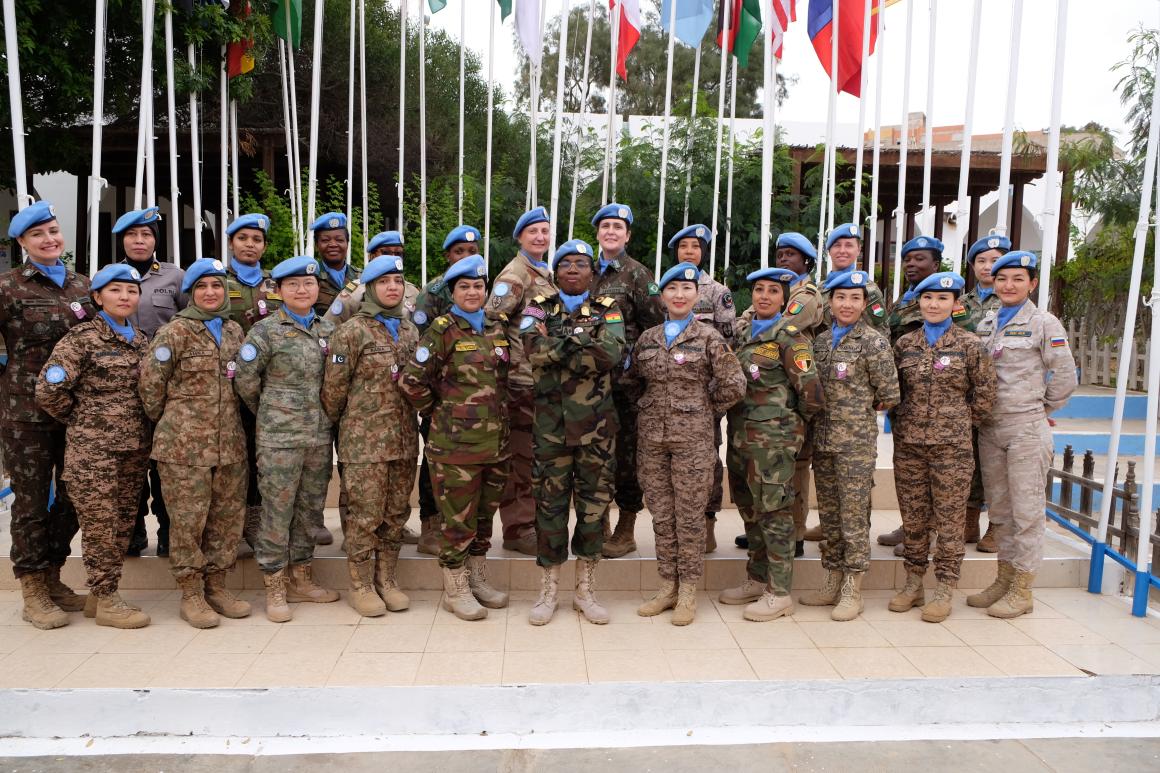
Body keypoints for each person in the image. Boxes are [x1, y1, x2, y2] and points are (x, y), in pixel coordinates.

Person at [35, 264, 151, 628]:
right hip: (94, 453)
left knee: (121, 524)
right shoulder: (82, 338)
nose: (125, 297)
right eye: (116, 291)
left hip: (133, 450)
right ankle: (105, 598)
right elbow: (48, 390)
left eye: (131, 291)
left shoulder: (142, 340)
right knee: (100, 525)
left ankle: (103, 596)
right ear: (98, 297)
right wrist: (83, 420)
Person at [400, 254, 514, 621]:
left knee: (484, 517)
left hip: (496, 444)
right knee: (457, 520)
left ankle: (477, 577)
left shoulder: (497, 325)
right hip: (455, 447)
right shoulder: (441, 329)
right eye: (464, 286)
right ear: (453, 291)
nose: (472, 292)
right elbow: (411, 380)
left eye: (478, 286)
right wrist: (440, 411)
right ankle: (455, 588)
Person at [138, 259, 250, 628]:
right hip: (184, 449)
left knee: (226, 521)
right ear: (190, 293)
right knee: (188, 523)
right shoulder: (175, 333)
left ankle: (217, 586)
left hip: (230, 445)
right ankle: (191, 593)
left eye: (217, 286)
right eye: (202, 287)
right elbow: (151, 387)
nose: (211, 293)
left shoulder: (234, 331)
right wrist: (177, 424)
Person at [632, 262, 745, 625]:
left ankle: (688, 592)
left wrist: (703, 408)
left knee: (691, 518)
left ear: (697, 296)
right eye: (672, 289)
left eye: (686, 289)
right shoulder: (647, 338)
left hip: (694, 442)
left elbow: (734, 384)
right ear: (662, 296)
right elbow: (634, 381)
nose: (679, 295)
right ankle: (668, 585)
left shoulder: (710, 338)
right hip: (652, 441)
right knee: (663, 516)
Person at [520, 239, 625, 626]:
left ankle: (585, 589)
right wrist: (582, 342)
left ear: (591, 272)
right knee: (549, 509)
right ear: (556, 272)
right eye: (566, 264)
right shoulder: (537, 308)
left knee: (593, 510)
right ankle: (548, 589)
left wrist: (559, 346)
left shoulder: (607, 309)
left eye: (581, 264)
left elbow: (610, 354)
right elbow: (532, 348)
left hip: (596, 429)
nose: (573, 270)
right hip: (550, 429)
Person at [969, 251, 1076, 619]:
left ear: (1032, 284)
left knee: (1027, 511)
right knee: (1000, 510)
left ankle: (1023, 589)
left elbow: (1065, 376)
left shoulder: (1044, 323)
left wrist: (1039, 410)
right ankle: (1004, 577)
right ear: (993, 284)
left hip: (1025, 429)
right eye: (1002, 279)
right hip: (990, 427)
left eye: (1017, 279)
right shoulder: (986, 322)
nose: (1008, 285)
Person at [234, 255, 341, 623]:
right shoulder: (264, 332)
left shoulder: (328, 330)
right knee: (277, 512)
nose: (301, 289)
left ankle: (301, 576)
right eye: (292, 284)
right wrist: (272, 412)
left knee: (310, 510)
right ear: (278, 291)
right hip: (279, 438)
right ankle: (275, 583)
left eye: (308, 284)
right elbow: (246, 382)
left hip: (317, 436)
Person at [1, 201, 91, 629]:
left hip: (78, 413)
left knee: (75, 496)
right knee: (32, 502)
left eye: (53, 230)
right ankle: (32, 586)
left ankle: (53, 572)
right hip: (26, 416)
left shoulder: (84, 287)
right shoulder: (8, 288)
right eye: (38, 235)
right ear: (22, 242)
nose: (49, 239)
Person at [888, 272, 996, 623]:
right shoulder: (904, 345)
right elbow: (893, 394)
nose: (934, 304)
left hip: (952, 450)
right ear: (919, 303)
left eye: (942, 299)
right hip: (909, 447)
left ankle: (945, 587)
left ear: (956, 305)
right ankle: (913, 583)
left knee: (950, 522)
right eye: (928, 298)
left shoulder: (970, 345)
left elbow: (984, 397)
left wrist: (957, 424)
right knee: (914, 518)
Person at [718, 267, 823, 622]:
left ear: (784, 299)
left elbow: (811, 394)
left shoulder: (791, 338)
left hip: (774, 444)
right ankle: (756, 577)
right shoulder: (743, 333)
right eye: (759, 289)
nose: (764, 296)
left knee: (776, 515)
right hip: (741, 439)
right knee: (750, 511)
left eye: (772, 291)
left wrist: (790, 432)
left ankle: (779, 592)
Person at [321, 254, 419, 618]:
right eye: (384, 281)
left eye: (397, 280)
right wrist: (350, 427)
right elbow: (333, 391)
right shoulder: (351, 332)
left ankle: (387, 579)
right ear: (370, 289)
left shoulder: (409, 330)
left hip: (404, 439)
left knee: (395, 513)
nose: (392, 287)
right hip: (363, 443)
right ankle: (360, 584)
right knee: (365, 515)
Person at [799, 270, 900, 621]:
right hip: (823, 441)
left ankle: (852, 586)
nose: (847, 304)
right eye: (840, 297)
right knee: (830, 515)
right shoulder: (821, 342)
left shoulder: (874, 342)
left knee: (854, 516)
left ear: (864, 304)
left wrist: (855, 412)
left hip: (855, 444)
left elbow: (889, 394)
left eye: (854, 298)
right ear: (830, 302)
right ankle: (832, 577)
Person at [877, 235, 977, 553]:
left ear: (935, 264)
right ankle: (912, 527)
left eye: (919, 259)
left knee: (940, 478)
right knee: (912, 478)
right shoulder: (902, 301)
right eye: (907, 258)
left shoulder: (951, 305)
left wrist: (962, 416)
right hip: (909, 405)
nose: (911, 264)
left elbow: (969, 356)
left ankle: (930, 532)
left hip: (944, 411)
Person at [737, 232, 824, 556]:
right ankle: (768, 529)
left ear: (805, 261)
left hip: (790, 389)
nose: (784, 259)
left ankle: (794, 533)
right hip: (762, 404)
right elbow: (748, 320)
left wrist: (795, 419)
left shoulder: (805, 294)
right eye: (780, 254)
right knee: (766, 477)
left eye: (791, 255)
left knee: (794, 471)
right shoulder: (772, 290)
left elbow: (781, 322)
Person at [587, 203, 663, 558]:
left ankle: (626, 528)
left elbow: (655, 327)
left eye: (618, 226)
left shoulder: (638, 275)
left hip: (626, 386)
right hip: (589, 384)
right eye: (606, 227)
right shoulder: (584, 270)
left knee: (628, 457)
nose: (611, 232)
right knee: (594, 455)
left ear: (628, 234)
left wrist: (637, 364)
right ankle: (597, 522)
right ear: (598, 234)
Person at [114, 207, 186, 558]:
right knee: (129, 463)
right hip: (120, 387)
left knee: (165, 464)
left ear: (156, 240)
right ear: (122, 240)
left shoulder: (175, 277)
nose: (139, 241)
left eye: (146, 235)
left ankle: (169, 532)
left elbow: (189, 320)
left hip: (167, 387)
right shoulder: (108, 278)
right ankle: (133, 531)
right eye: (132, 235)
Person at [485, 207, 557, 556]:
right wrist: (504, 373)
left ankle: (531, 523)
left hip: (540, 382)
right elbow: (493, 323)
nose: (540, 237)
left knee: (536, 457)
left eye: (545, 231)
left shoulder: (543, 272)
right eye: (533, 232)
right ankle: (516, 528)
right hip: (520, 384)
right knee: (520, 458)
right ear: (520, 237)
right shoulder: (515, 275)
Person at [410, 224, 482, 556]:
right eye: (459, 252)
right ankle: (429, 522)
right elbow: (424, 345)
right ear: (447, 256)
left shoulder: (479, 287)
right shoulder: (434, 292)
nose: (466, 257)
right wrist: (434, 400)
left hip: (472, 401)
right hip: (443, 397)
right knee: (434, 462)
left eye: (472, 251)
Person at [668, 224, 735, 554]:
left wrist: (715, 394)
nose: (689, 252)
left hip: (704, 395)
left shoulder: (716, 292)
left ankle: (707, 522)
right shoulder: (666, 289)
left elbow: (728, 342)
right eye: (684, 247)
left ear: (704, 251)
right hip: (670, 396)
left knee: (709, 460)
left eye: (695, 246)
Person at [223, 213, 282, 557]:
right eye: (243, 238)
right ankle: (233, 522)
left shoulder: (275, 283)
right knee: (234, 456)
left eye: (257, 239)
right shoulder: (215, 279)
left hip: (269, 387)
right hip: (227, 387)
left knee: (262, 456)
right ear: (232, 242)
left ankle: (257, 519)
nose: (250, 245)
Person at [963, 234, 1011, 553]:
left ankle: (996, 525)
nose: (987, 266)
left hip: (1001, 396)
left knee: (995, 464)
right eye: (981, 260)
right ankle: (968, 519)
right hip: (964, 395)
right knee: (968, 460)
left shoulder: (1011, 302)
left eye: (994, 260)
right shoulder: (960, 302)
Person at [322, 230, 421, 326]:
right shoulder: (354, 291)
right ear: (372, 256)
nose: (393, 257)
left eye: (398, 253)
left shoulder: (413, 292)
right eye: (386, 252)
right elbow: (328, 328)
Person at [821, 224, 888, 331]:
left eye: (849, 245)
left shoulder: (868, 290)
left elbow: (882, 333)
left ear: (858, 249)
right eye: (837, 245)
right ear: (829, 250)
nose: (842, 251)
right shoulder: (820, 288)